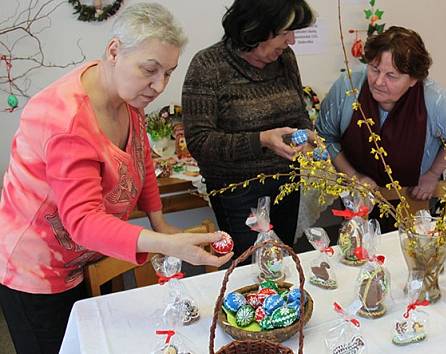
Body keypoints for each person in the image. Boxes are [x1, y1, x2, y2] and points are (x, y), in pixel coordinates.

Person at [0, 4, 233, 353]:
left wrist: (160, 223)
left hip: (88, 257)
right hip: (38, 271)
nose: (159, 86)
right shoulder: (65, 121)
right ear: (113, 51)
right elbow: (82, 221)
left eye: (168, 73)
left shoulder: (128, 96)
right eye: (150, 70)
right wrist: (167, 244)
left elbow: (141, 161)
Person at [182, 0, 315, 259]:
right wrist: (261, 140)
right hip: (238, 193)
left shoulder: (285, 59)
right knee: (251, 269)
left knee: (283, 262)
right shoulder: (208, 66)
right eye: (285, 32)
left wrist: (306, 137)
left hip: (286, 185)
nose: (292, 41)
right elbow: (199, 142)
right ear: (256, 28)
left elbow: (299, 115)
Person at [316, 26, 446, 230]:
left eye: (392, 76)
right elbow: (325, 137)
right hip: (359, 198)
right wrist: (354, 178)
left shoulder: (437, 102)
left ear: (414, 79)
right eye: (374, 69)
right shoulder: (348, 87)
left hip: (414, 200)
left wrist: (433, 174)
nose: (379, 82)